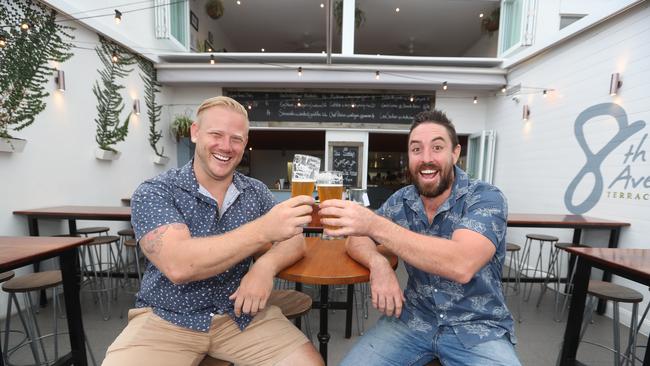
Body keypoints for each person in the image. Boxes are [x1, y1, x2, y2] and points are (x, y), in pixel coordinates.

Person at [103, 96, 323, 366]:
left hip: (240, 317)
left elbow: (295, 242)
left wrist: (264, 268)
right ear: (195, 132)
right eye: (216, 134)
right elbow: (179, 265)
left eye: (236, 139)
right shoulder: (156, 191)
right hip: (167, 319)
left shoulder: (255, 192)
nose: (226, 146)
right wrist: (263, 231)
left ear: (245, 143)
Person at [319, 110, 520, 366]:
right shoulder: (401, 200)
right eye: (416, 149)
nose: (426, 158)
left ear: (455, 153)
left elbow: (461, 264)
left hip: (477, 327)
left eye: (437, 147)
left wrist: (375, 225)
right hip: (413, 320)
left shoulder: (485, 197)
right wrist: (378, 265)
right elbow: (356, 239)